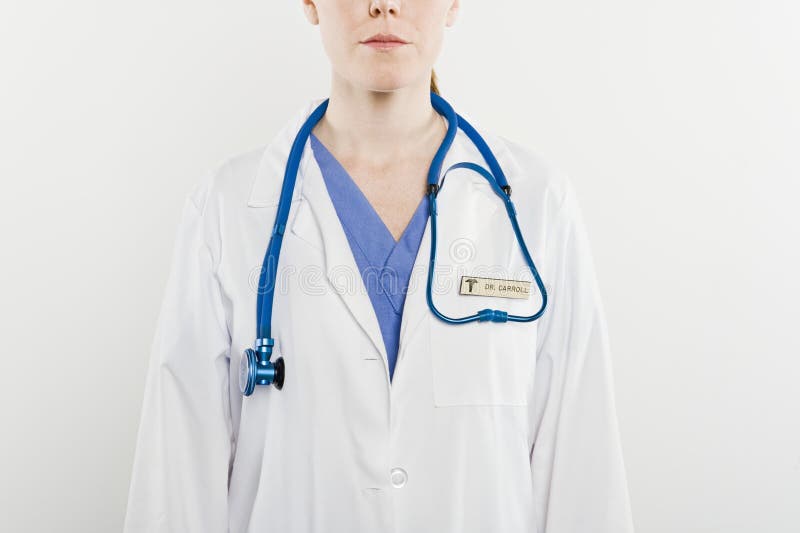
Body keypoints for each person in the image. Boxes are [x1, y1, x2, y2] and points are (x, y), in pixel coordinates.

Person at [122, 1, 635, 532]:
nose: (384, 5)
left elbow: (581, 471)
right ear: (310, 4)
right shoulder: (227, 209)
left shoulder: (536, 204)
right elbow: (176, 479)